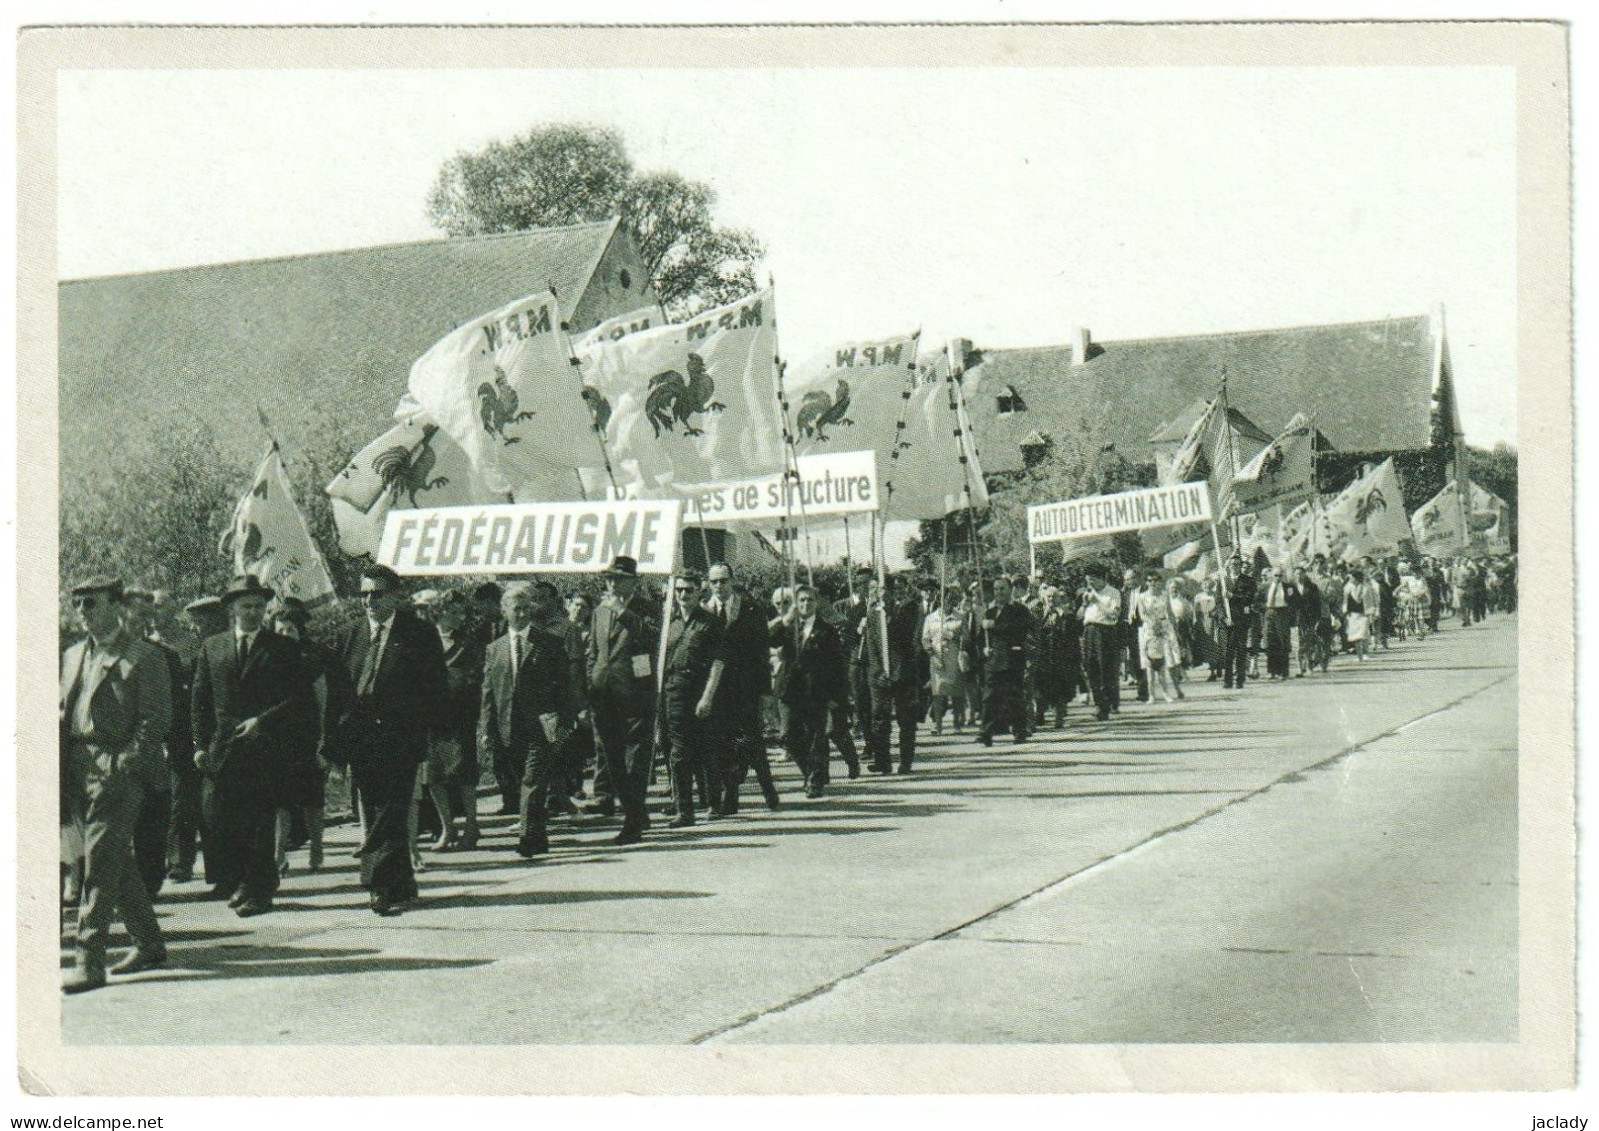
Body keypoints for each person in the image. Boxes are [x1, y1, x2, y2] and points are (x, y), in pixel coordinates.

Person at [60, 577, 173, 993]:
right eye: (78, 604)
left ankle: (88, 961)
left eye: (91, 603)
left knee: (98, 862)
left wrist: (125, 763)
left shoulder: (143, 655)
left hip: (115, 767)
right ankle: (149, 943)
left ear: (116, 607)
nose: (83, 611)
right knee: (113, 862)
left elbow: (156, 718)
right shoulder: (74, 655)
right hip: (75, 764)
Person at [326, 564, 446, 915]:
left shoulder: (419, 635)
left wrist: (434, 733)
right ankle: (403, 883)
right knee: (377, 808)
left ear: (395, 596)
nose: (369, 601)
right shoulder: (350, 635)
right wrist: (333, 745)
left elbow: (435, 688)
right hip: (361, 739)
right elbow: (338, 693)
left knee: (391, 810)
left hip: (401, 738)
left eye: (376, 594)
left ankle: (377, 884)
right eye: (363, 594)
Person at [191, 575, 309, 918]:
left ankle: (257, 890)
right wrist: (200, 745)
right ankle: (247, 881)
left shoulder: (282, 648)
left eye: (259, 606)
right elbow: (200, 701)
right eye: (246, 606)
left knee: (260, 821)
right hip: (222, 750)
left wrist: (263, 721)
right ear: (232, 610)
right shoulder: (213, 647)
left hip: (265, 748)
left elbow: (297, 699)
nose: (254, 612)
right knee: (223, 820)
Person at [479, 582, 578, 857]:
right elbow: (488, 693)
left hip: (542, 726)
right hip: (508, 727)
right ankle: (539, 834)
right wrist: (486, 729)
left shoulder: (548, 642)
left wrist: (566, 722)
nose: (521, 614)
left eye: (526, 608)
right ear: (504, 612)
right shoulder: (495, 649)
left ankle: (527, 837)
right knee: (524, 780)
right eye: (515, 609)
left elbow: (564, 686)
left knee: (532, 780)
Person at [587, 556, 662, 845]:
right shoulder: (598, 612)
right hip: (604, 694)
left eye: (618, 578)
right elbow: (593, 652)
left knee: (635, 761)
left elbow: (653, 636)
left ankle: (632, 821)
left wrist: (623, 612)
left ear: (633, 581)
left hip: (635, 694)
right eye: (608, 578)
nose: (611, 583)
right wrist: (590, 682)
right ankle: (636, 812)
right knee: (612, 758)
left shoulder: (647, 609)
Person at [703, 564, 780, 815]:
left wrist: (766, 693)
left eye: (723, 580)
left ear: (732, 581)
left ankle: (769, 791)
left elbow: (761, 654)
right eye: (714, 581)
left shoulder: (751, 610)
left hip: (746, 688)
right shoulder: (704, 612)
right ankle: (731, 796)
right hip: (717, 690)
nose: (719, 586)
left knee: (752, 742)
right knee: (722, 745)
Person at [267, 597, 332, 873]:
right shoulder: (267, 660)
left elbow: (323, 703)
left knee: (311, 798)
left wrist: (322, 742)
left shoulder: (312, 660)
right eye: (279, 630)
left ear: (299, 631)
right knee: (279, 800)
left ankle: (316, 846)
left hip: (307, 738)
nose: (284, 635)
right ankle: (278, 855)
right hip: (278, 740)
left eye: (290, 629)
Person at [120, 587, 178, 899]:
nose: (144, 620)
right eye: (138, 613)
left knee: (149, 834)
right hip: (106, 763)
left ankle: (147, 891)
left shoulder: (160, 655)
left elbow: (166, 712)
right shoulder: (96, 653)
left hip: (149, 761)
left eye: (148, 614)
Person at [419, 590, 485, 851]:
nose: (459, 617)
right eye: (454, 611)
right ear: (440, 612)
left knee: (462, 774)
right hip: (431, 720)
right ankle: (448, 827)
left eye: (461, 612)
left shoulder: (468, 644)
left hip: (459, 719)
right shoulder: (423, 641)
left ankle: (472, 825)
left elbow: (473, 679)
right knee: (433, 776)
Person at [772, 584, 847, 797]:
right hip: (789, 691)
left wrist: (836, 696)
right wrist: (785, 619)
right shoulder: (788, 626)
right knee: (787, 736)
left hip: (816, 692)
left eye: (810, 600)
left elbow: (837, 666)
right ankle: (809, 771)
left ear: (817, 603)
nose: (806, 604)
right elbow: (769, 639)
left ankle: (815, 780)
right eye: (802, 600)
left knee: (816, 738)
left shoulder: (827, 631)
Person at [971, 575, 1032, 746]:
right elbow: (981, 637)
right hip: (993, 660)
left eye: (1002, 589)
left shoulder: (1019, 609)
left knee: (1014, 696)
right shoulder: (989, 611)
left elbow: (1019, 630)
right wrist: (983, 647)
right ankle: (986, 732)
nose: (999, 592)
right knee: (989, 697)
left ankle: (1020, 731)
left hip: (1012, 658)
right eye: (996, 589)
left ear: (1010, 589)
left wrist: (994, 626)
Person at [922, 586, 970, 735]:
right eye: (947, 599)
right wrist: (931, 653)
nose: (950, 602)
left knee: (956, 690)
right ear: (940, 600)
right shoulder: (931, 618)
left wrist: (954, 636)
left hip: (954, 658)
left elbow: (967, 638)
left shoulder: (960, 617)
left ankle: (957, 721)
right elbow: (924, 638)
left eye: (953, 599)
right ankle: (937, 723)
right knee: (937, 692)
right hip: (937, 659)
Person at [1032, 584, 1080, 730]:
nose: (1051, 599)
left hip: (1062, 656)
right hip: (1044, 655)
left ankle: (1059, 717)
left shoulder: (1066, 614)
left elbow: (1072, 635)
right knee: (1041, 686)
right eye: (1048, 597)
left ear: (1059, 598)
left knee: (1060, 687)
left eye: (1054, 596)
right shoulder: (1040, 614)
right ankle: (1039, 715)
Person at [1079, 566, 1122, 721]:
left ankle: (1106, 705)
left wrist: (1098, 602)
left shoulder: (1113, 592)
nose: (1091, 584)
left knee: (1105, 669)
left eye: (1093, 580)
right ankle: (1099, 702)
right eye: (1088, 581)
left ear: (1101, 578)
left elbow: (1114, 615)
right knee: (1091, 668)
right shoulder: (1088, 594)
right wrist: (1084, 604)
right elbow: (1079, 617)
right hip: (1089, 631)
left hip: (1105, 632)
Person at [1135, 573, 1185, 703]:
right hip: (1150, 628)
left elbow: (1170, 612)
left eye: (1155, 580)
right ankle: (1152, 695)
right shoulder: (1141, 597)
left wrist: (1175, 630)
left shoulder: (1164, 595)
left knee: (1170, 659)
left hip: (1165, 627)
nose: (1152, 583)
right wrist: (1152, 623)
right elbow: (1142, 615)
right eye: (1150, 580)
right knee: (1151, 661)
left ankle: (1171, 690)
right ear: (1146, 582)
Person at [1219, 557, 1256, 689]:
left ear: (1241, 566)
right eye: (1232, 564)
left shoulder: (1248, 581)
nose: (1234, 566)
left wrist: (1232, 596)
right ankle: (1227, 680)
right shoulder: (1223, 582)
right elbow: (1219, 603)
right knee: (1228, 652)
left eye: (1237, 564)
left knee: (1241, 651)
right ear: (1228, 566)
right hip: (1227, 622)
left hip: (1241, 620)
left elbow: (1248, 599)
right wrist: (1224, 617)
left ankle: (1240, 679)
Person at [1258, 565, 1298, 680]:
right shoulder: (1264, 587)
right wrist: (1264, 608)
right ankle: (1271, 671)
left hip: (1283, 614)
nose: (1278, 578)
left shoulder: (1288, 587)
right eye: (1276, 575)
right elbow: (1256, 602)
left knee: (1283, 643)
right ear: (1271, 576)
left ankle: (1283, 671)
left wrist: (1290, 612)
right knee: (1270, 643)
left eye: (1280, 575)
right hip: (1269, 614)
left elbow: (1295, 602)